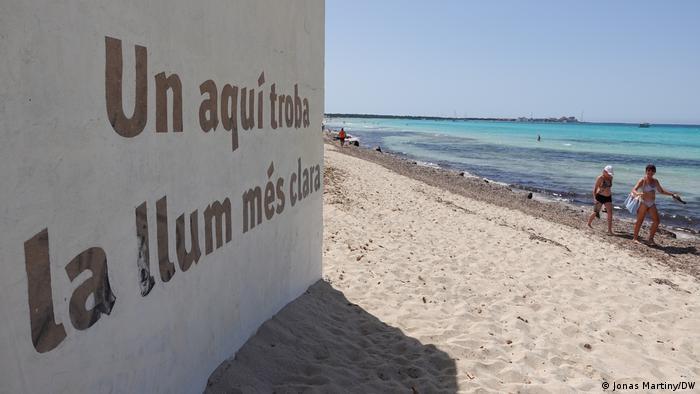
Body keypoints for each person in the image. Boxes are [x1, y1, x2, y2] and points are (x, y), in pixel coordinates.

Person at [631, 164, 681, 245]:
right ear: (646, 171)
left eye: (652, 171)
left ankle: (650, 239)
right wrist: (638, 193)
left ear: (654, 172)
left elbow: (661, 191)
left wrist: (672, 194)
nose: (650, 172)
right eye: (648, 170)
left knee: (657, 221)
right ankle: (635, 238)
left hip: (651, 203)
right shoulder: (642, 180)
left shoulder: (655, 181)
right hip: (643, 203)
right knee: (640, 221)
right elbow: (634, 189)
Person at [587, 165, 614, 235]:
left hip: (608, 197)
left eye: (610, 173)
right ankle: (589, 223)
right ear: (604, 171)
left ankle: (609, 230)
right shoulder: (600, 178)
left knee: (610, 213)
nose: (609, 175)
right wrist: (594, 198)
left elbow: (609, 188)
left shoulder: (611, 177)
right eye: (608, 173)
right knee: (596, 212)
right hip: (600, 197)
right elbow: (595, 189)